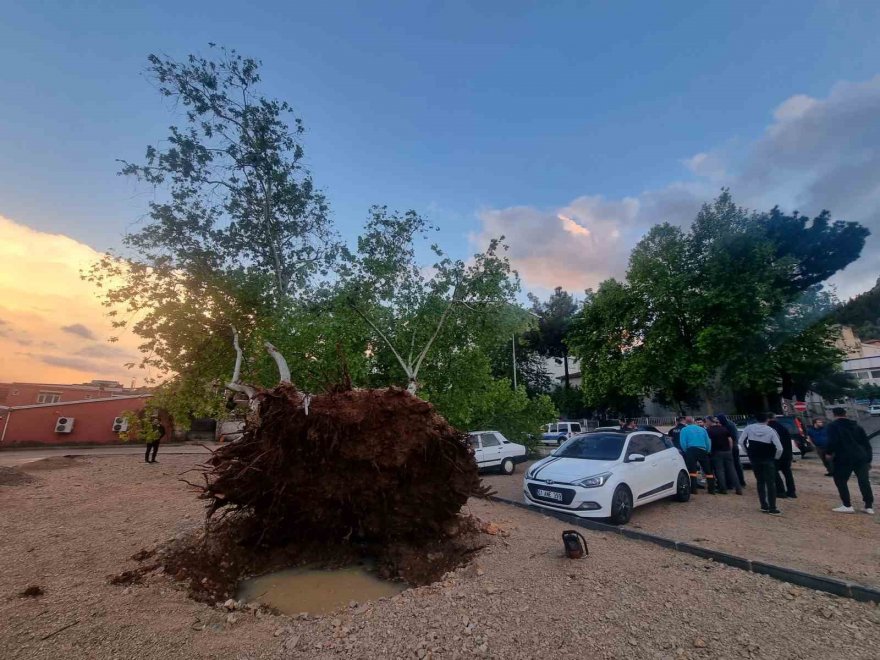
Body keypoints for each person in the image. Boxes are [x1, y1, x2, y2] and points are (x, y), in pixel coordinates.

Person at [826, 407, 874, 514]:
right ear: (845, 414)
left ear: (834, 415)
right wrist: (869, 459)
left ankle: (847, 505)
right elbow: (866, 444)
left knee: (840, 480)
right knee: (864, 481)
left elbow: (833, 441)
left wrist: (828, 453)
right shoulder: (857, 426)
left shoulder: (833, 426)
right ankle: (869, 506)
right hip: (861, 457)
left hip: (843, 457)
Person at [741, 413, 784, 515]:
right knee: (770, 483)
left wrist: (748, 452)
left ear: (756, 419)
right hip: (768, 458)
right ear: (767, 420)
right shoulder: (771, 430)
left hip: (755, 458)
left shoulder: (749, 428)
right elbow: (779, 448)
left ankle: (764, 505)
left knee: (760, 481)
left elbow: (741, 441)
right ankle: (772, 507)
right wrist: (775, 457)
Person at [679, 416, 715, 494]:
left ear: (685, 422)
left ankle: (694, 489)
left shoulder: (684, 430)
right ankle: (711, 489)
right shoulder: (702, 429)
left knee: (692, 471)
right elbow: (708, 441)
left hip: (691, 450)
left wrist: (686, 451)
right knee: (708, 470)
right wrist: (707, 450)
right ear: (694, 421)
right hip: (702, 450)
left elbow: (682, 442)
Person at [707, 416, 741, 495]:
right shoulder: (724, 428)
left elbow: (709, 442)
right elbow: (730, 440)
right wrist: (730, 450)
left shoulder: (709, 430)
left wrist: (709, 451)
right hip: (727, 451)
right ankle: (738, 488)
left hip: (716, 452)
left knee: (720, 471)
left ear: (709, 422)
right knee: (732, 470)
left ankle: (723, 489)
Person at [767, 412, 796, 498]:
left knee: (775, 473)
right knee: (787, 473)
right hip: (786, 454)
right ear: (775, 418)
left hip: (775, 454)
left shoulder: (768, 429)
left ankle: (780, 491)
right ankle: (791, 492)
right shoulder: (783, 428)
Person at [717, 413, 746, 487]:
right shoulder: (731, 424)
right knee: (736, 465)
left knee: (732, 465)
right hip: (733, 446)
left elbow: (731, 438)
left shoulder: (728, 425)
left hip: (731, 447)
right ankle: (740, 482)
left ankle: (732, 483)